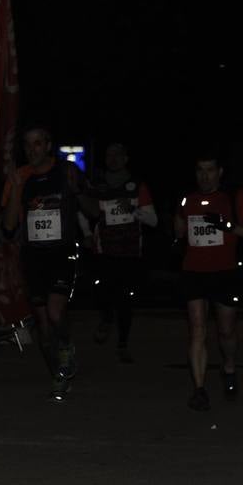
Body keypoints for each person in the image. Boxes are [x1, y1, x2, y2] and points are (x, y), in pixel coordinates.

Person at [2, 125, 94, 401]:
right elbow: (8, 226)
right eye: (28, 145)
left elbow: (92, 210)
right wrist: (17, 189)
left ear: (48, 145)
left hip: (62, 252)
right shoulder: (20, 177)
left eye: (38, 144)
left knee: (55, 313)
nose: (33, 150)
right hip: (33, 256)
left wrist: (78, 192)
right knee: (42, 326)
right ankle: (59, 374)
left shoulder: (67, 171)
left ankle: (66, 347)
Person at [173, 151, 243, 411]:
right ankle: (199, 389)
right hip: (193, 272)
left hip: (225, 273)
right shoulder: (187, 198)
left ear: (220, 172)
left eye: (210, 170)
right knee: (197, 329)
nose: (204, 175)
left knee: (226, 331)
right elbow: (179, 231)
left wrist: (227, 225)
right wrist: (177, 223)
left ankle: (230, 366)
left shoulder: (235, 197)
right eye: (200, 170)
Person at [87, 142, 157, 362]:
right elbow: (83, 210)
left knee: (126, 300)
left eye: (118, 155)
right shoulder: (96, 185)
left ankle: (122, 344)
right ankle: (106, 319)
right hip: (103, 250)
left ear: (126, 159)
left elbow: (153, 221)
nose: (113, 159)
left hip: (129, 251)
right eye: (109, 155)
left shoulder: (137, 186)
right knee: (102, 290)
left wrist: (134, 210)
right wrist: (86, 233)